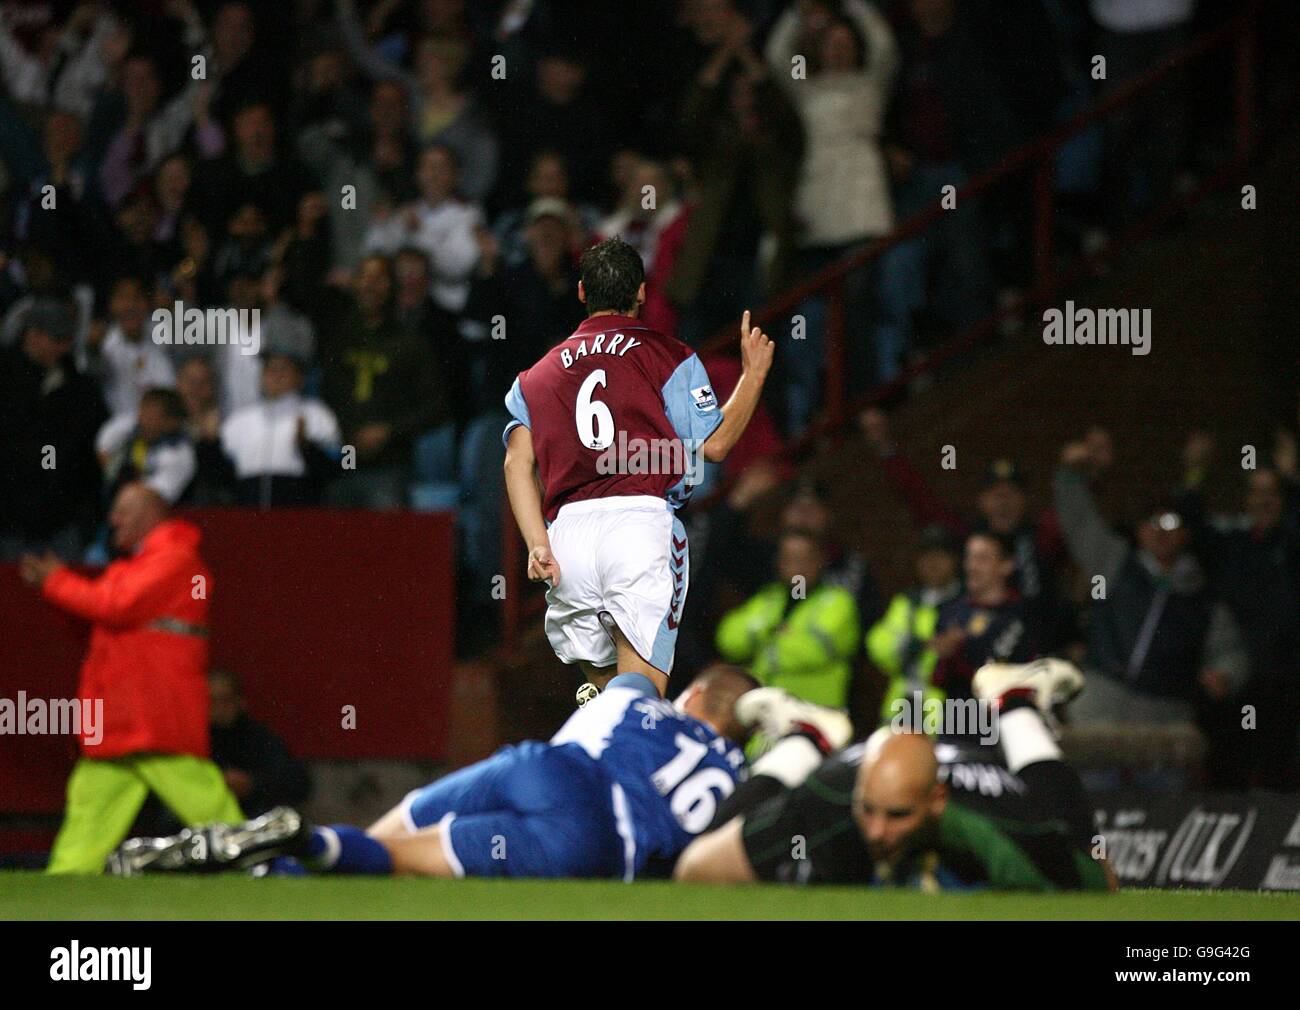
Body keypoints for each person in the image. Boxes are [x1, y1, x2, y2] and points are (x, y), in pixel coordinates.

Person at [108, 665, 759, 881]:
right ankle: (303, 845)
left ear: (699, 698)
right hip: (593, 837)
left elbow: (606, 705)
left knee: (390, 831)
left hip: (546, 768)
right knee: (395, 859)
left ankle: (287, 859)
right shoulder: (745, 785)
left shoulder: (641, 701)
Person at [502, 237, 774, 700]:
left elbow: (516, 463)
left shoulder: (535, 375)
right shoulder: (669, 355)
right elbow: (717, 445)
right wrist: (753, 375)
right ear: (643, 293)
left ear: (583, 291)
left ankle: (605, 721)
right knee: (639, 704)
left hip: (567, 540)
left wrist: (536, 545)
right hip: (638, 526)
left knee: (609, 702)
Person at [675, 662, 1112, 891]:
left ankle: (1015, 703)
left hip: (980, 780)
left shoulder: (994, 819)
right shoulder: (831, 798)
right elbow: (695, 869)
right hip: (853, 770)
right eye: (869, 811)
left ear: (936, 800)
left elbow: (1100, 885)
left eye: (898, 815)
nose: (879, 831)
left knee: (1068, 839)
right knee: (709, 841)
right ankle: (807, 739)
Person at [19, 482, 242, 874]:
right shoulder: (148, 563)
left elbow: (113, 605)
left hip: (151, 707)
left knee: (202, 798)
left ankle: (257, 859)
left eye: (122, 511)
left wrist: (56, 582)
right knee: (94, 799)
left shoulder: (174, 559)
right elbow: (102, 615)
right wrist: (56, 587)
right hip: (127, 711)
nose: (112, 520)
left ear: (147, 514)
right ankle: (67, 877)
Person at [714, 528, 861, 712]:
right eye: (788, 560)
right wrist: (775, 631)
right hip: (765, 713)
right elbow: (728, 640)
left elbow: (813, 651)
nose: (796, 568)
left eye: (803, 560)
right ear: (779, 563)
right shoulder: (769, 598)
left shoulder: (837, 601)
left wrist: (765, 639)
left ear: (820, 561)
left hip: (815, 714)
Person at [867, 525, 962, 724]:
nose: (932, 563)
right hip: (904, 706)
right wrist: (920, 644)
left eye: (940, 556)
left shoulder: (966, 603)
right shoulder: (907, 601)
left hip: (950, 710)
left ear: (954, 560)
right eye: (926, 557)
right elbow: (878, 647)